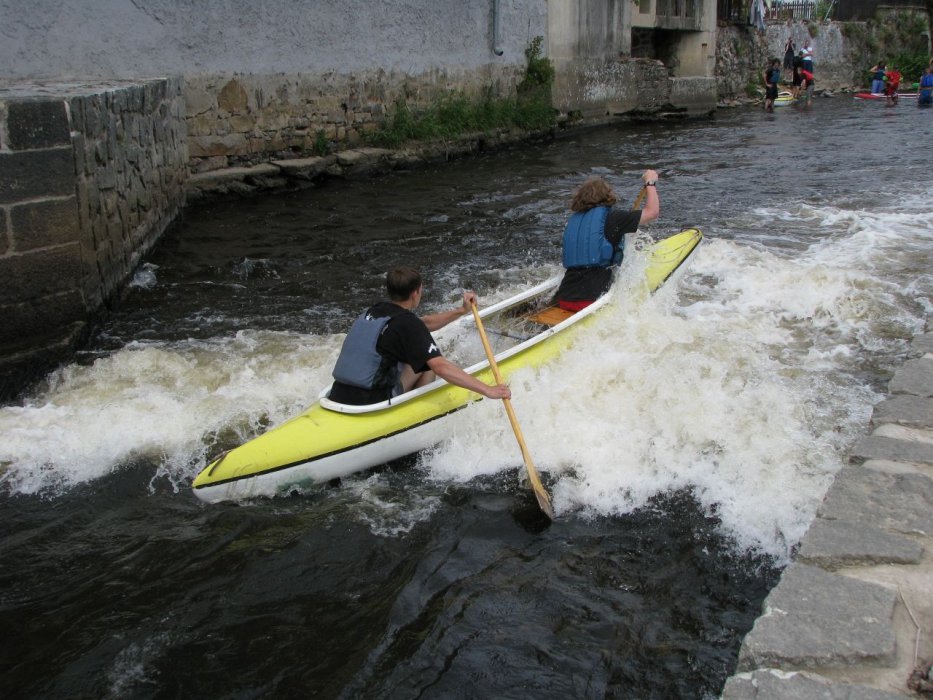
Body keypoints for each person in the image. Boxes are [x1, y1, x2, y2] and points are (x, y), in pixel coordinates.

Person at [329, 267, 512, 405]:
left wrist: (461, 311)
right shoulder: (407, 323)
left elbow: (424, 324)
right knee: (426, 364)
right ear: (416, 292)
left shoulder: (375, 311)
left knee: (409, 356)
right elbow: (440, 367)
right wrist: (489, 390)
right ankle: (416, 407)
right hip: (372, 402)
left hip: (338, 394)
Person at [553, 171, 660, 311]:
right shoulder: (615, 218)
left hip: (564, 297)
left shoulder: (574, 221)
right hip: (591, 301)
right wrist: (650, 183)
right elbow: (652, 212)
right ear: (608, 196)